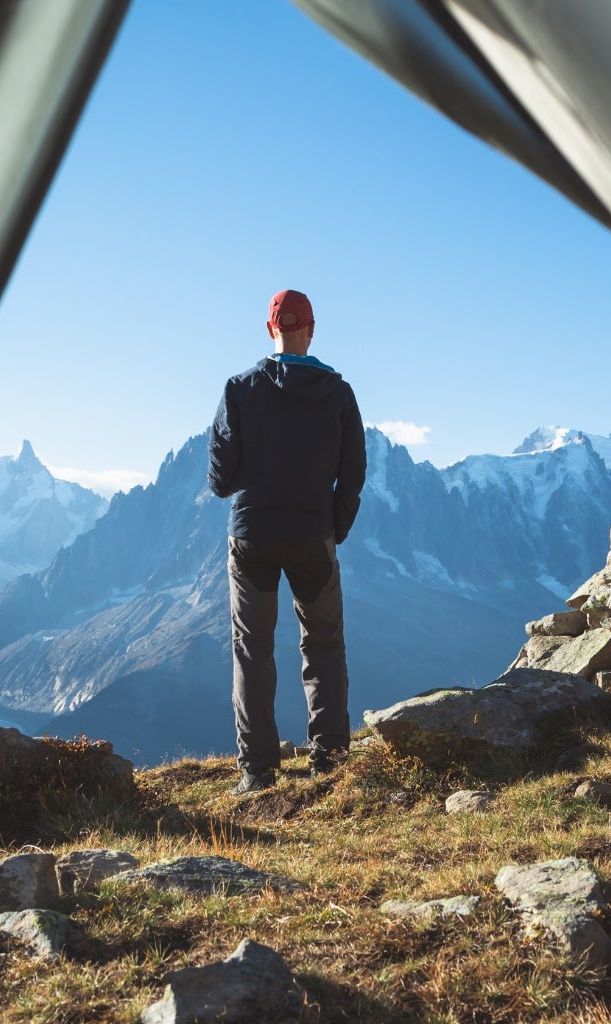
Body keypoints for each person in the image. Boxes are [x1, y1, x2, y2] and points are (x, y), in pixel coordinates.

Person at [208, 289, 366, 795]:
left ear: (269, 329)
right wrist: (333, 529)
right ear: (312, 330)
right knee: (323, 646)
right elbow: (354, 472)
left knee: (252, 651)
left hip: (252, 535)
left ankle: (257, 771)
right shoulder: (338, 393)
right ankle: (330, 760)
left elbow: (219, 478)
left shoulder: (240, 389)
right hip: (311, 536)